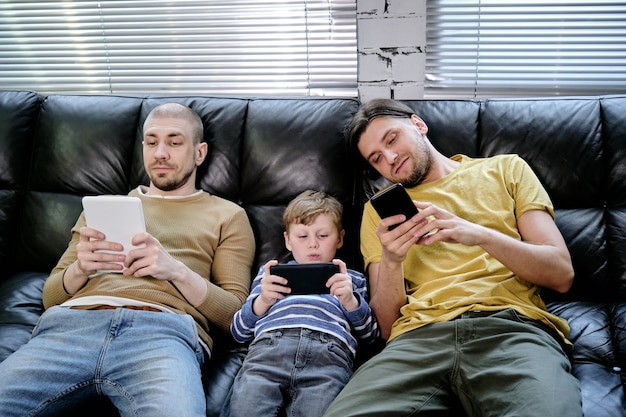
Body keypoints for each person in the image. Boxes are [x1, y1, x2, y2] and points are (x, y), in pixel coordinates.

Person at [323, 99, 583, 416]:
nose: (390, 159)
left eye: (392, 139)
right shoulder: (378, 213)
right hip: (417, 341)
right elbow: (387, 328)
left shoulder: (506, 169)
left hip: (510, 329)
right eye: (376, 159)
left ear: (417, 124)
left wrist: (480, 235)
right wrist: (391, 260)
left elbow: (561, 274)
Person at [0, 102, 256, 417]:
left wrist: (174, 270)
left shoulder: (228, 215)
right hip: (70, 327)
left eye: (174, 142)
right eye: (151, 142)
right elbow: (50, 296)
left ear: (199, 153)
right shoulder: (104, 208)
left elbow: (236, 316)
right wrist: (80, 269)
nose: (160, 152)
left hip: (163, 334)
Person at [222, 190, 379, 417]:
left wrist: (350, 301)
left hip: (328, 357)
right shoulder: (269, 276)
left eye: (323, 235)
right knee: (245, 408)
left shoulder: (351, 279)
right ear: (287, 240)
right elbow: (238, 331)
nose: (313, 244)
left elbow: (372, 335)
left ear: (340, 238)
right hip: (270, 349)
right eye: (302, 236)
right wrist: (263, 300)